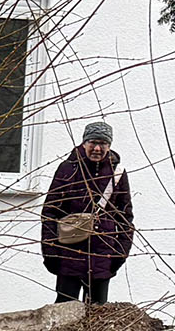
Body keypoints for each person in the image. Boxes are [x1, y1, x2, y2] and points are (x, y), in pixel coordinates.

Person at [41, 119, 133, 306]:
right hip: (68, 255)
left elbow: (125, 218)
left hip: (102, 256)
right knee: (64, 313)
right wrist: (50, 252)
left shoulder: (117, 173)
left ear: (109, 145)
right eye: (93, 142)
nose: (97, 148)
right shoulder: (68, 169)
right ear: (84, 143)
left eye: (103, 143)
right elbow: (50, 212)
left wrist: (119, 254)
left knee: (96, 316)